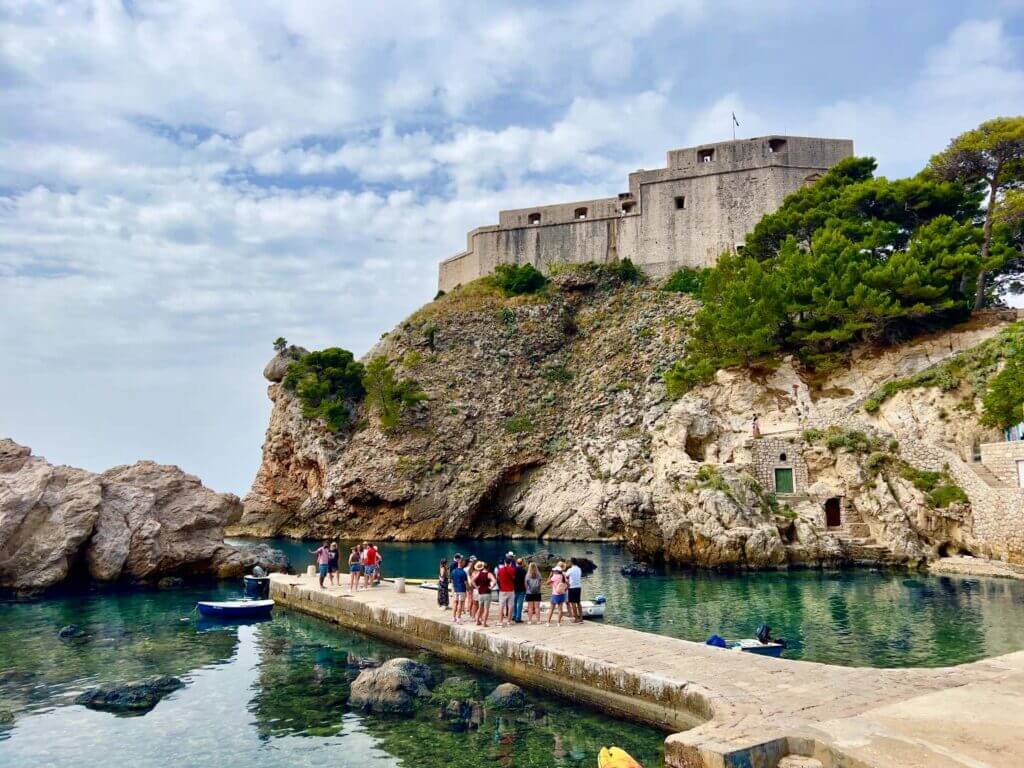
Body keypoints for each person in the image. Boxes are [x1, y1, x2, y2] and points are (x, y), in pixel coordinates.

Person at [472, 561, 496, 627]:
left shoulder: (479, 573)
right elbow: (494, 581)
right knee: (486, 609)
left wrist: (476, 587)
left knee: (480, 608)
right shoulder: (489, 574)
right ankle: (484, 623)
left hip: (480, 593)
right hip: (487, 593)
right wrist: (491, 587)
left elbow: (472, 580)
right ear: (488, 568)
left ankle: (477, 621)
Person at [496, 556, 516, 628]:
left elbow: (498, 579)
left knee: (501, 606)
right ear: (510, 563)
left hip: (503, 590)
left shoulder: (500, 570)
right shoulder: (513, 570)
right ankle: (509, 621)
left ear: (504, 562)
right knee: (511, 606)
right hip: (511, 589)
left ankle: (500, 622)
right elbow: (513, 578)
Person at [450, 557, 469, 624]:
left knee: (455, 603)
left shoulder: (453, 571)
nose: (464, 563)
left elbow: (452, 581)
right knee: (460, 603)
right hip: (462, 590)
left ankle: (453, 617)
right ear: (461, 563)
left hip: (455, 589)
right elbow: (466, 583)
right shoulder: (463, 572)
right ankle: (459, 618)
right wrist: (468, 589)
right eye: (463, 562)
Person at [566, 557, 583, 624]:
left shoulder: (570, 569)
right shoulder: (579, 569)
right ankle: (581, 618)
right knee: (578, 602)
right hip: (578, 587)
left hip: (572, 587)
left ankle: (576, 618)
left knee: (573, 603)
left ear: (571, 562)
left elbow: (565, 575)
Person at [513, 557, 527, 624]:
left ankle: (513, 615)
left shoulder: (513, 570)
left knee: (514, 603)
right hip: (522, 589)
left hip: (514, 588)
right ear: (522, 563)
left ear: (516, 563)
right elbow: (525, 581)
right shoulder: (524, 571)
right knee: (520, 604)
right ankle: (518, 618)